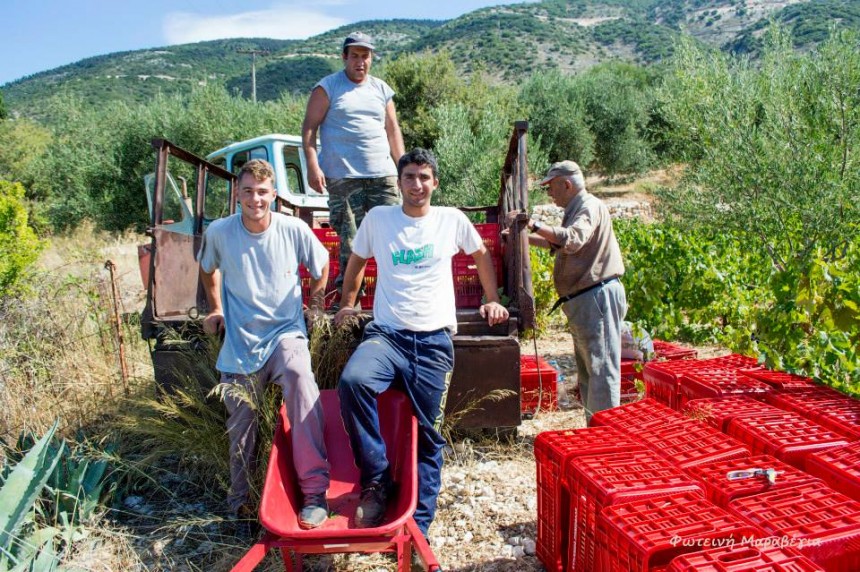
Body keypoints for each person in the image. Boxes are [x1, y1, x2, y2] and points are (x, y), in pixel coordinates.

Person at [333, 148, 509, 537]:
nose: (417, 184)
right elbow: (357, 262)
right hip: (387, 336)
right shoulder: (379, 219)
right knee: (353, 382)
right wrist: (348, 304)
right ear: (398, 183)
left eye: (424, 177)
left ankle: (419, 527)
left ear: (435, 183)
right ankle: (377, 479)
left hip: (433, 342)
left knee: (430, 435)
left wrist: (491, 298)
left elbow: (481, 256)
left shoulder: (451, 220)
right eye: (409, 177)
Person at [197, 159, 331, 530]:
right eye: (247, 191)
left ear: (273, 194)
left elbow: (322, 265)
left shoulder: (293, 229)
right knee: (240, 423)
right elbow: (207, 268)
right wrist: (216, 308)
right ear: (237, 194)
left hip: (285, 332)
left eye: (262, 191)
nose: (255, 199)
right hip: (241, 342)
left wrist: (315, 305)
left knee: (300, 378)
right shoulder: (221, 233)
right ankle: (240, 503)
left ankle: (315, 494)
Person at [509, 160, 627, 425]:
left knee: (602, 370)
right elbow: (559, 244)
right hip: (587, 299)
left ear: (567, 184)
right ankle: (595, 429)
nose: (549, 193)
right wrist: (520, 236)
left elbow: (572, 240)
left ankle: (606, 435)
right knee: (589, 370)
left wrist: (533, 225)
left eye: (551, 187)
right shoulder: (576, 208)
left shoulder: (588, 206)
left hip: (596, 297)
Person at [302, 31, 405, 299]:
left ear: (371, 58)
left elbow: (393, 131)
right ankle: (349, 306)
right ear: (344, 57)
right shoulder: (327, 88)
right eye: (355, 56)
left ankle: (395, 298)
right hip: (343, 177)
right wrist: (313, 166)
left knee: (392, 239)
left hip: (383, 176)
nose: (360, 62)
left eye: (365, 56)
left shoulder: (381, 89)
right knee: (351, 243)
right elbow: (309, 129)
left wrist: (403, 169)